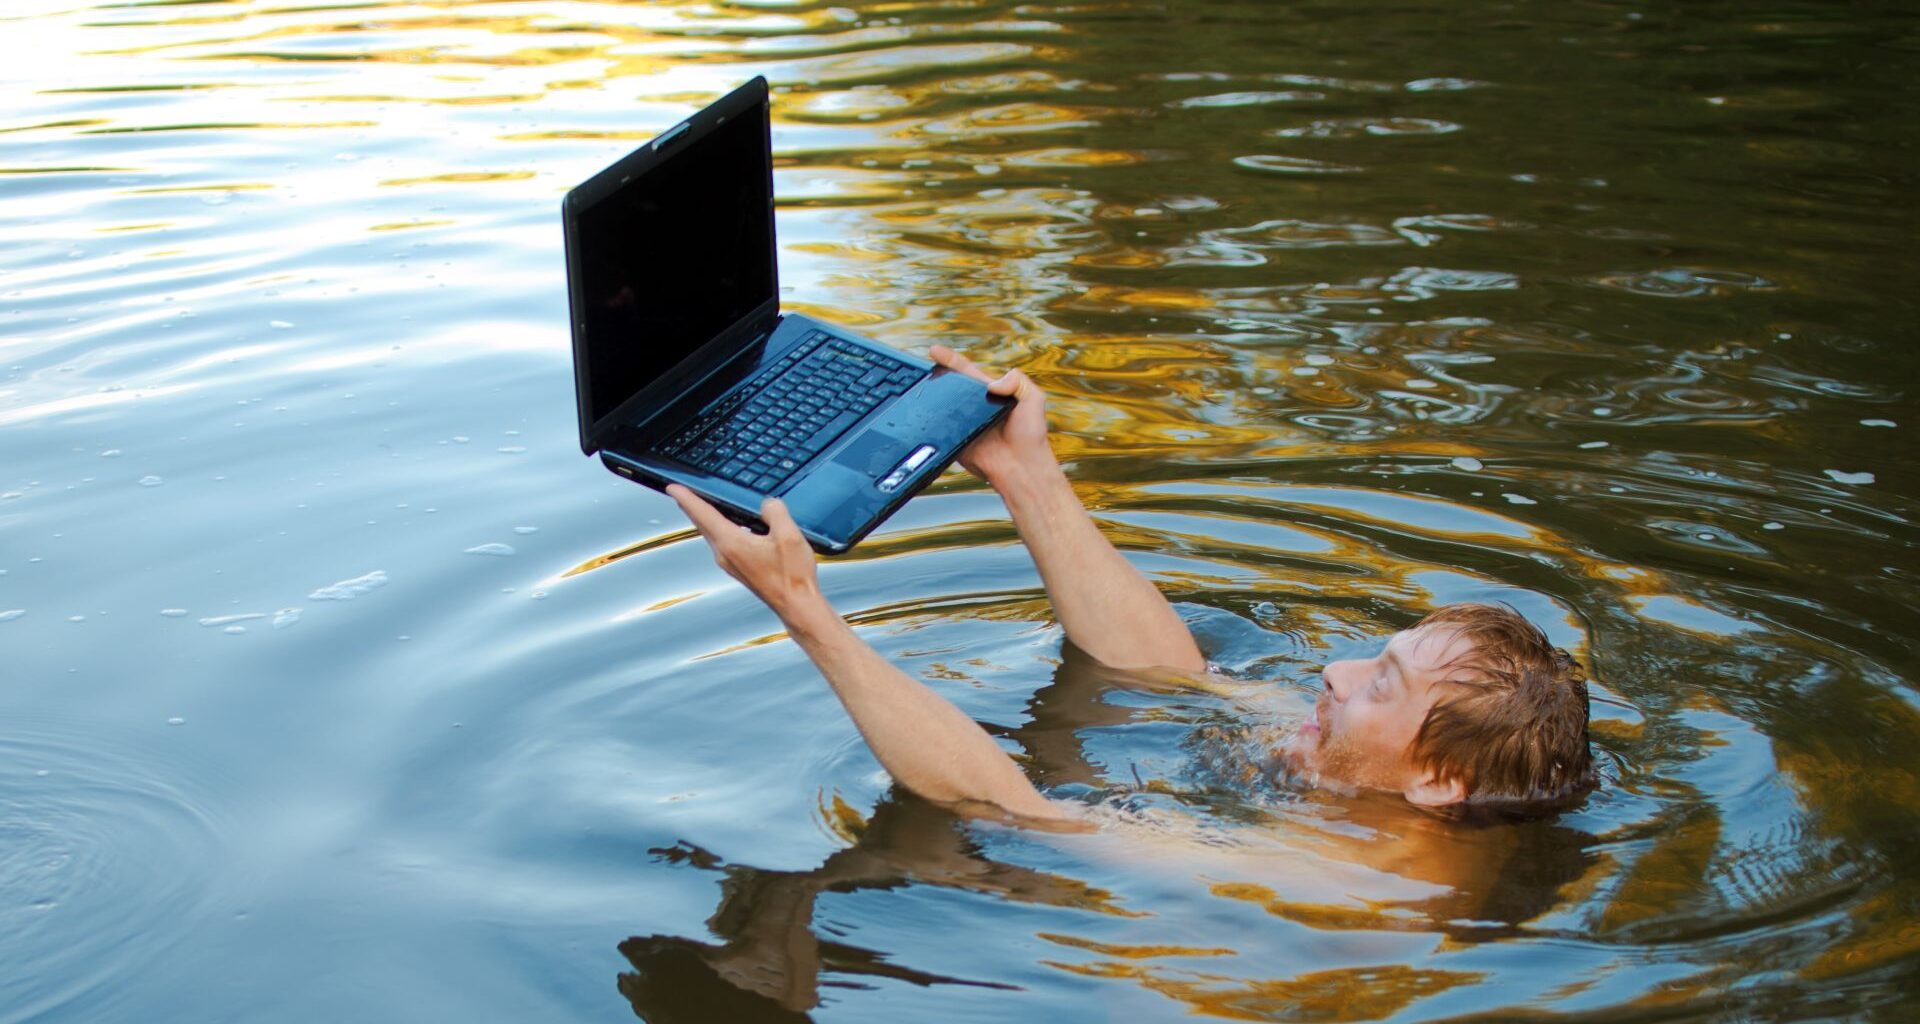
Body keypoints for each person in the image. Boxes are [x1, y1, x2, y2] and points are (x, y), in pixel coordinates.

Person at [667, 345, 1594, 826]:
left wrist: (806, 611)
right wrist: (1027, 475)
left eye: (1383, 683)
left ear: (1437, 784)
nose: (1337, 675)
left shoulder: (1349, 884)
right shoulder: (1366, 761)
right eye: (1375, 658)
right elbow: (1179, 679)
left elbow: (1020, 814)